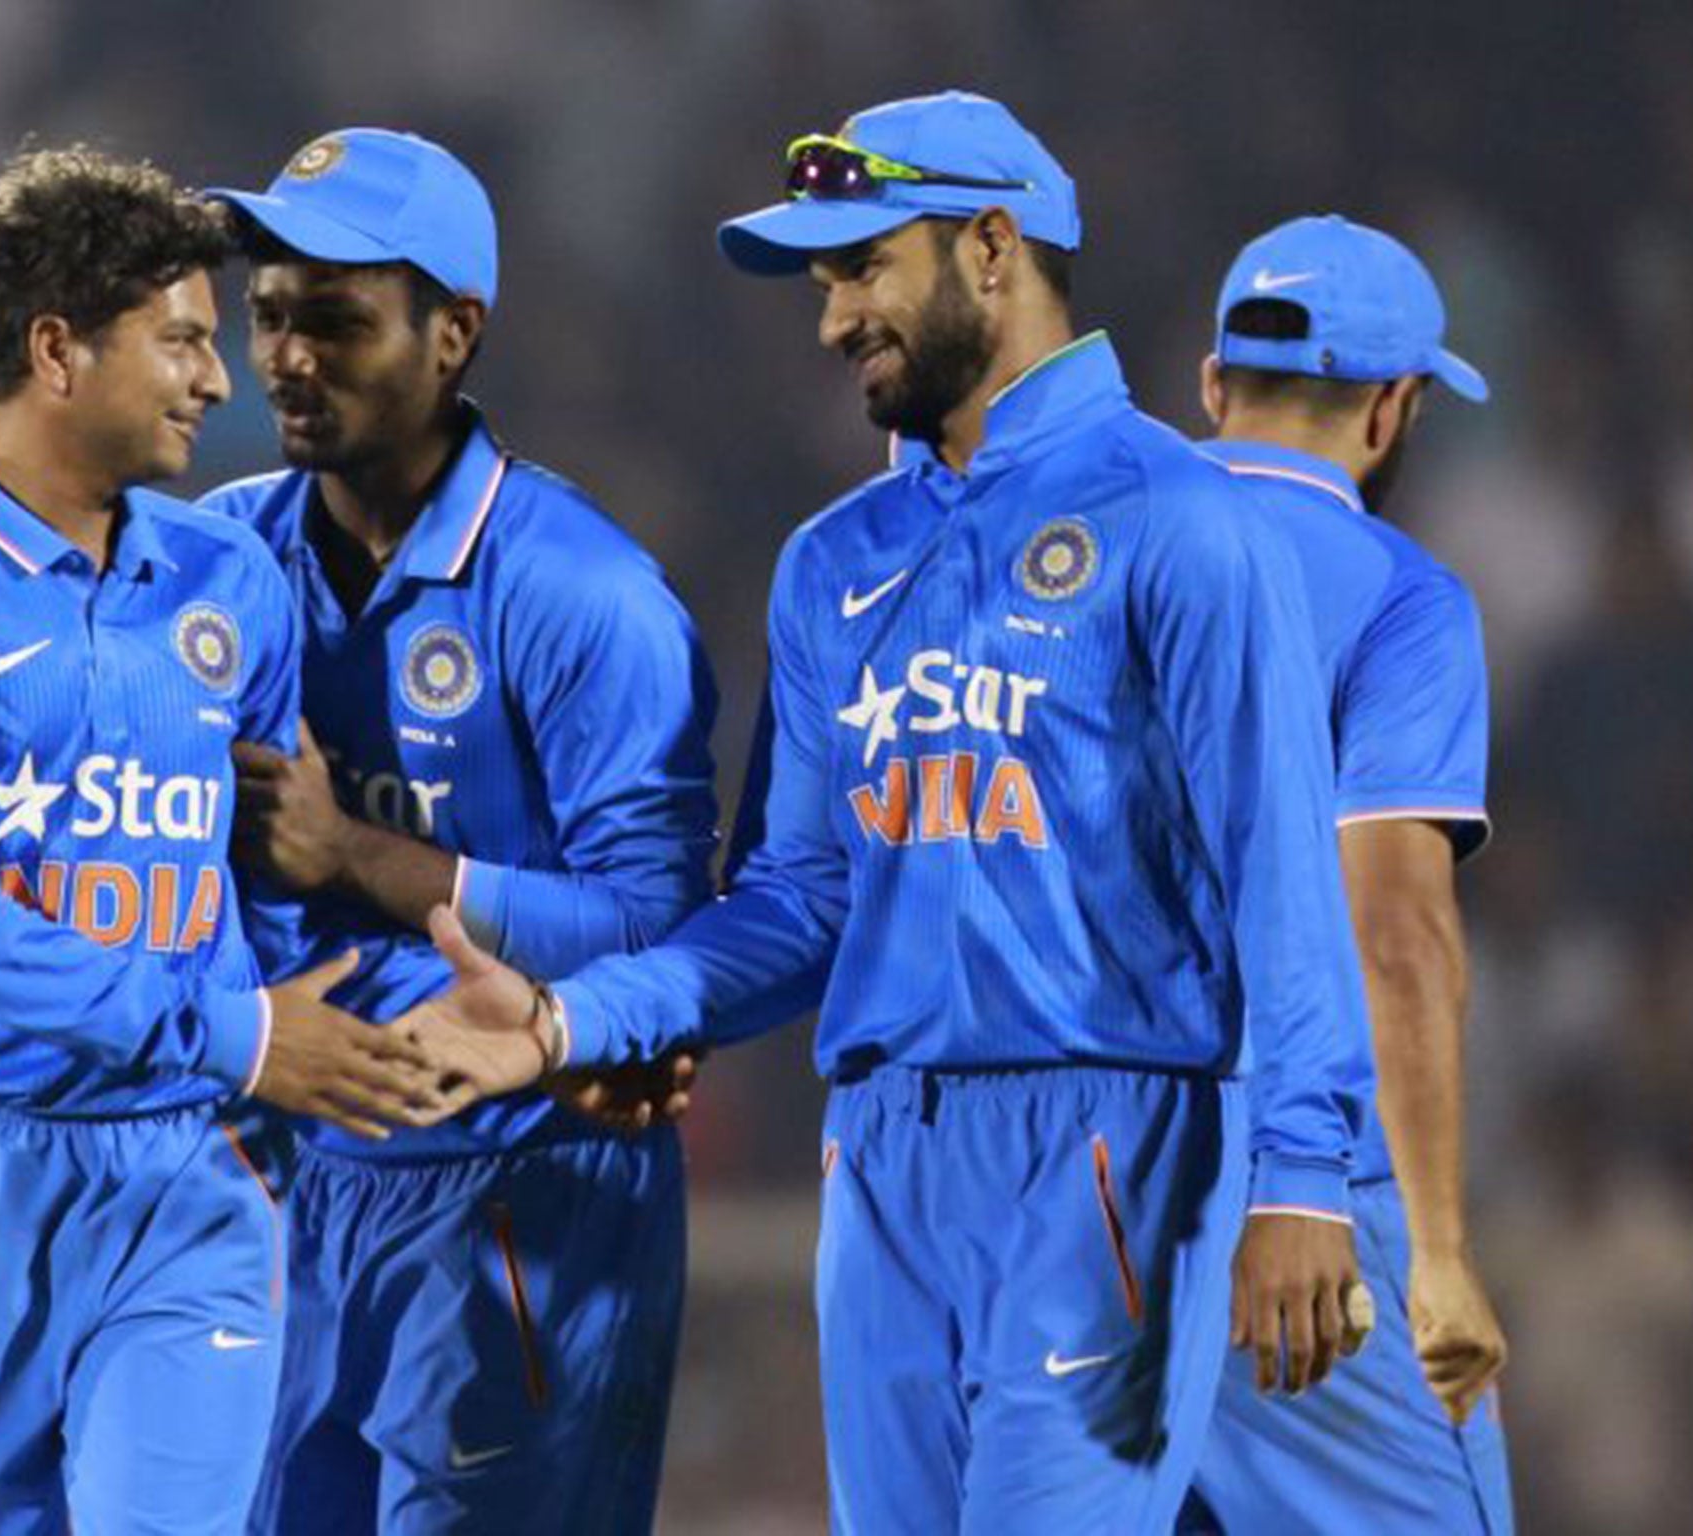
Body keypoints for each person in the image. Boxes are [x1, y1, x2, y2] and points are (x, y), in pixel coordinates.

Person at [397, 90, 1377, 1533]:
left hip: (1108, 1146)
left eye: (863, 267)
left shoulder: (1183, 519)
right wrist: (574, 1019)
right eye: (824, 281)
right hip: (880, 1167)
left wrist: (1309, 1176)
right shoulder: (831, 561)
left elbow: (1280, 869)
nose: (833, 317)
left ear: (992, 246)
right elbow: (796, 901)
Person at [0, 129, 716, 1535]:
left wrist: (546, 1039)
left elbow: (659, 925)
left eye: (333, 321)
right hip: (272, 1135)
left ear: (454, 334)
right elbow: (192, 896)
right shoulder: (224, 548)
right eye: (264, 317)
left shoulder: (585, 593)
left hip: (489, 1183)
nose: (270, 363)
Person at [0, 146, 443, 1534]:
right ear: (58, 349)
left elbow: (262, 892)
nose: (219, 381)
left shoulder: (226, 582)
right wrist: (237, 1035)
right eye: (186, 342)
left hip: (182, 1170)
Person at [1177, 214, 1515, 1534]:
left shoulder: (1078, 567)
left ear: (1212, 384)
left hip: (1069, 1195)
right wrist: (1436, 1250)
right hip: (1302, 1205)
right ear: (1394, 407)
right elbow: (1395, 935)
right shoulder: (1398, 596)